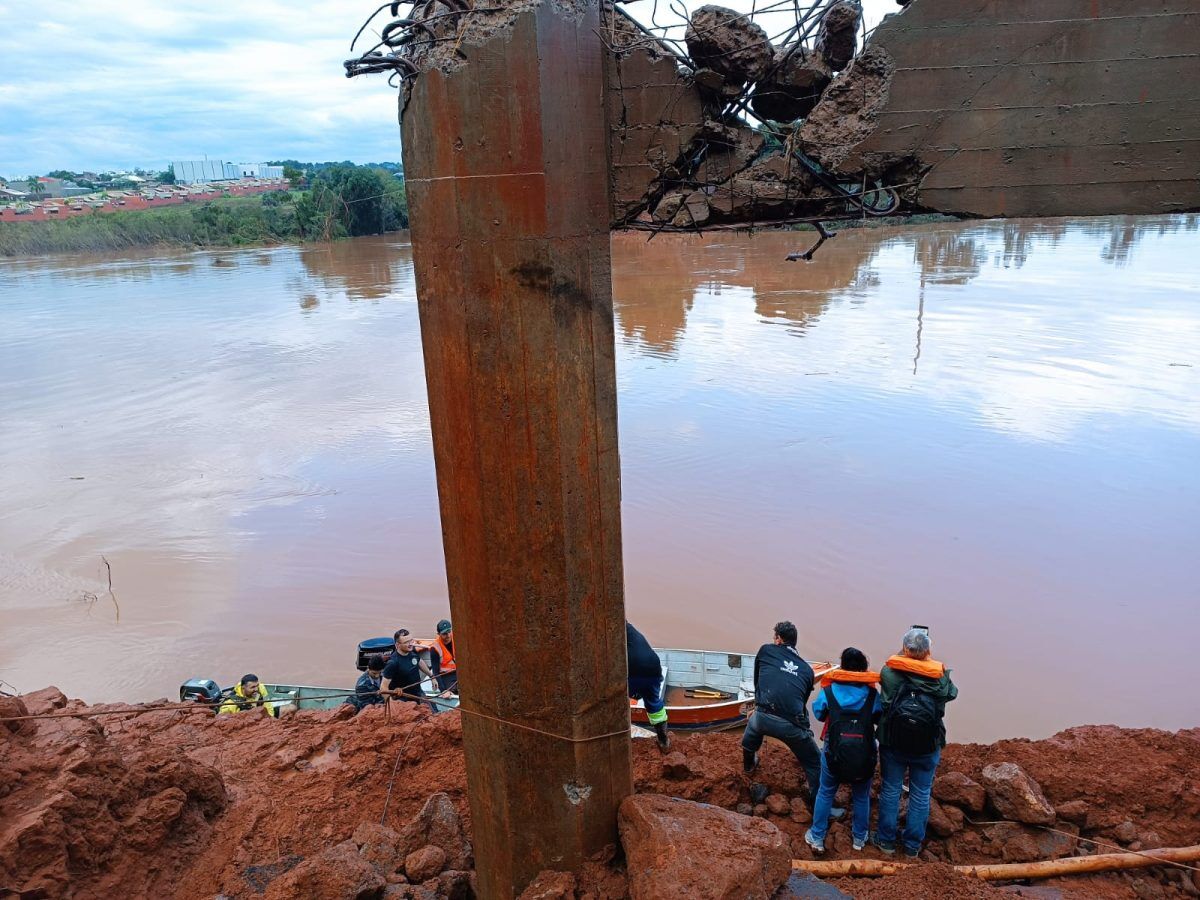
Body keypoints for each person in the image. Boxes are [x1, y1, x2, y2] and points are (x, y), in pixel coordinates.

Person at [873, 628, 958, 859]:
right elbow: (953, 693)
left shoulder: (889, 673)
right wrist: (928, 660)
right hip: (927, 745)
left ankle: (886, 843)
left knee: (891, 789)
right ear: (928, 650)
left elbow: (886, 690)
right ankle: (912, 847)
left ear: (905, 649)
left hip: (894, 741)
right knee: (921, 794)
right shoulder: (941, 679)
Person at [804, 648, 882, 854]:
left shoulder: (829, 692)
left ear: (843, 667)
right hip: (864, 756)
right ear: (864, 668)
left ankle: (817, 837)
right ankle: (859, 839)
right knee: (862, 797)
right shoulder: (873, 694)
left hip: (833, 753)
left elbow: (819, 713)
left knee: (826, 791)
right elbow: (879, 717)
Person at [741, 622, 824, 806]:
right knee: (814, 762)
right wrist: (805, 729)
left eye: (774, 637)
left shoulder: (765, 651)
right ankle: (816, 802)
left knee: (752, 730)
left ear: (778, 639)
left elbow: (758, 683)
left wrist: (758, 706)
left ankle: (748, 766)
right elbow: (800, 702)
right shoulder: (806, 670)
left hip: (762, 718)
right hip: (791, 727)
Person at [626, 621, 670, 751]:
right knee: (653, 701)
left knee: (615, 701)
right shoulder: (630, 630)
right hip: (653, 666)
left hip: (633, 671)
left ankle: (618, 738)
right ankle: (663, 740)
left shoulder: (610, 631)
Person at [381, 628, 437, 711]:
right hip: (403, 698)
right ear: (397, 645)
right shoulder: (393, 663)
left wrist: (431, 676)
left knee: (433, 711)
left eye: (411, 641)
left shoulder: (412, 652)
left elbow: (419, 661)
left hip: (418, 693)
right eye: (406, 642)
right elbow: (383, 687)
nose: (410, 644)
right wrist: (391, 704)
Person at [432, 619, 458, 694]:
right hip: (446, 675)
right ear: (439, 634)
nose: (448, 636)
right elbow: (435, 672)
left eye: (449, 632)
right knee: (453, 692)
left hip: (459, 671)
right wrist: (443, 691)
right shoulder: (435, 649)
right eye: (444, 634)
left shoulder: (458, 639)